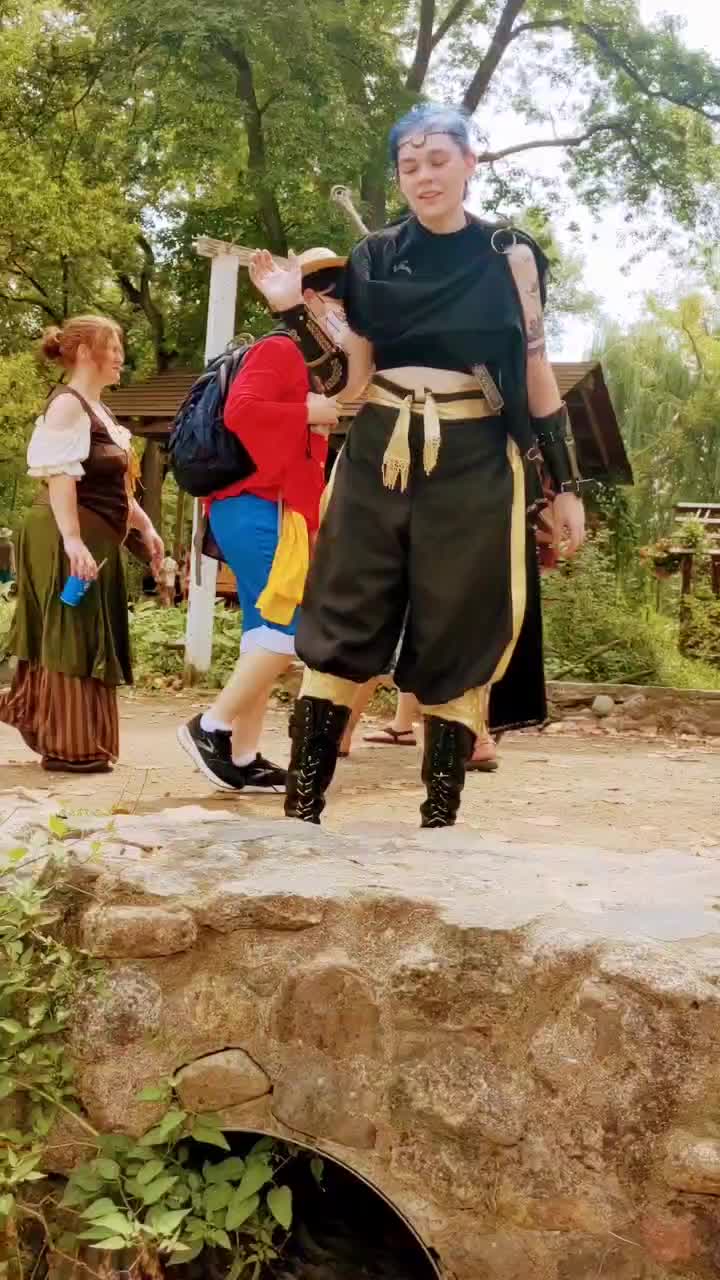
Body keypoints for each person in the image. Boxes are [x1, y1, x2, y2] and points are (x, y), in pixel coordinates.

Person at [250, 104, 585, 827]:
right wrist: (292, 314)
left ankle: (438, 823)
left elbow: (535, 369)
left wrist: (564, 485)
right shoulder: (373, 258)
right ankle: (300, 814)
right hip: (379, 451)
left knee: (459, 624)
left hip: (474, 460)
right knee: (342, 614)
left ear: (470, 162)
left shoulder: (510, 255)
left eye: (438, 161)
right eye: (409, 166)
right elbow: (348, 382)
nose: (424, 176)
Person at [177, 249, 345, 794]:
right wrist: (307, 412)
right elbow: (242, 412)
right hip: (254, 505)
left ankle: (244, 755)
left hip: (269, 509)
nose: (346, 317)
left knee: (263, 634)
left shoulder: (309, 363)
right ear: (310, 300)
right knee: (290, 628)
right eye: (340, 304)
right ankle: (210, 727)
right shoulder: (281, 348)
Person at [0, 315, 163, 772]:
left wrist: (145, 527)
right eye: (113, 347)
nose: (120, 357)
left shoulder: (99, 410)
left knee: (81, 630)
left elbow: (116, 487)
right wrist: (72, 541)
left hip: (93, 533)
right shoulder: (66, 407)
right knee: (72, 633)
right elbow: (59, 477)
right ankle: (69, 743)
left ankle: (56, 725)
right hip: (63, 532)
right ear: (87, 352)